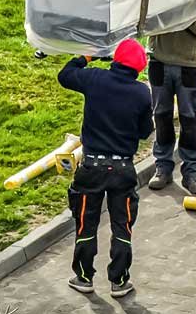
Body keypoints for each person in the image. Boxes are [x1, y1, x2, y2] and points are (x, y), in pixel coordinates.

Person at [58, 37, 154, 298]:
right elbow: (146, 131)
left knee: (85, 223)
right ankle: (120, 282)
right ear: (138, 67)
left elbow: (65, 75)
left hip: (91, 168)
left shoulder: (95, 79)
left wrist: (88, 56)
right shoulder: (142, 92)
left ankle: (84, 277)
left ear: (115, 60)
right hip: (123, 170)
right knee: (122, 225)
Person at [147, 9, 196, 195]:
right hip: (158, 61)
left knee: (189, 119)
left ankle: (191, 172)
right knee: (161, 116)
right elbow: (147, 20)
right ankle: (163, 167)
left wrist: (183, 10)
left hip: (188, 64)